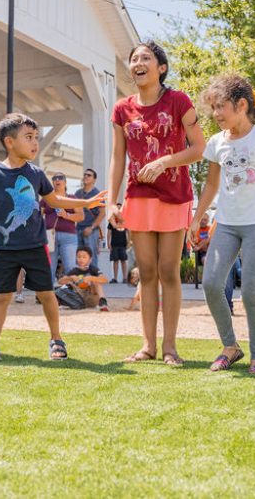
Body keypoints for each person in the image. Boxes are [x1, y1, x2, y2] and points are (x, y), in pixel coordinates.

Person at [0, 113, 105, 362]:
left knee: (46, 294)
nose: (35, 143)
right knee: (2, 297)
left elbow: (54, 200)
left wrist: (85, 201)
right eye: (28, 137)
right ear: (9, 142)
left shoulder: (37, 173)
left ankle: (56, 339)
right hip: (6, 248)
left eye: (36, 138)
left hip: (35, 246)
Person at [108, 41, 205, 366]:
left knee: (168, 271)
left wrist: (165, 162)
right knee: (147, 273)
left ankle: (170, 347)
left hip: (175, 196)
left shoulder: (178, 101)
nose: (138, 62)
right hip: (138, 197)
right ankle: (148, 346)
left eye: (145, 58)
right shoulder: (122, 108)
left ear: (161, 68)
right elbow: (117, 158)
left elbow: (198, 148)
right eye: (134, 58)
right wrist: (112, 201)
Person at [189, 76, 255, 376]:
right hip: (226, 224)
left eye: (221, 107)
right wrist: (197, 218)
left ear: (242, 105)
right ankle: (230, 347)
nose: (216, 114)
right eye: (213, 108)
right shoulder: (216, 142)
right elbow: (211, 185)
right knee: (210, 283)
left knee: (249, 291)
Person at [40, 173, 82, 286]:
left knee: (70, 266)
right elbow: (38, 215)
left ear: (65, 182)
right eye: (54, 178)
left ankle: (73, 294)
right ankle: (48, 295)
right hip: (49, 236)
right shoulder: (46, 198)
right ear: (52, 182)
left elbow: (81, 216)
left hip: (68, 237)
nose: (57, 180)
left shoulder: (72, 198)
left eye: (60, 178)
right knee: (49, 266)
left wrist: (66, 215)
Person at [58, 245, 109, 311]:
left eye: (84, 257)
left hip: (92, 297)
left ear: (90, 259)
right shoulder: (74, 270)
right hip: (79, 298)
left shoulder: (93, 269)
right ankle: (64, 302)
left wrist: (91, 278)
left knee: (96, 281)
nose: (81, 259)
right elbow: (60, 281)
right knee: (69, 285)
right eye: (79, 257)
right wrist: (71, 278)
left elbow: (105, 279)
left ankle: (103, 302)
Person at [75, 168, 105, 268]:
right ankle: (81, 281)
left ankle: (93, 280)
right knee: (79, 258)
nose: (86, 176)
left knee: (91, 256)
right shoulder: (78, 193)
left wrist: (91, 228)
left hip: (91, 230)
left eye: (89, 175)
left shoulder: (97, 194)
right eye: (85, 174)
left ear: (94, 179)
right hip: (78, 229)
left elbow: (102, 213)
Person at [107, 215, 129, 284]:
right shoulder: (111, 221)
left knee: (123, 261)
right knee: (115, 261)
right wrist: (108, 243)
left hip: (123, 244)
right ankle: (115, 278)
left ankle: (125, 278)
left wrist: (129, 242)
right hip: (114, 244)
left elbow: (129, 231)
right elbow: (109, 233)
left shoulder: (125, 221)